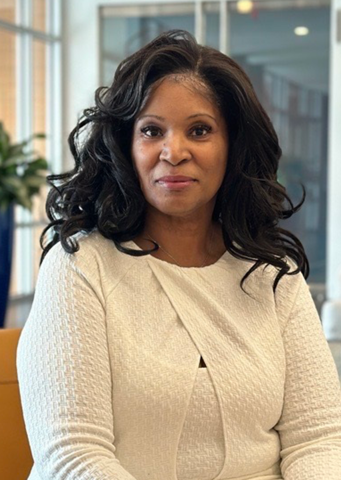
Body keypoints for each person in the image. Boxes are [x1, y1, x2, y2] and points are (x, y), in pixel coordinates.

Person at [17, 29, 341, 480]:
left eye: (200, 130)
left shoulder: (274, 276)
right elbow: (72, 456)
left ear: (233, 147)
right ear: (126, 147)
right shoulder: (80, 268)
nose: (174, 152)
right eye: (152, 130)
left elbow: (319, 438)